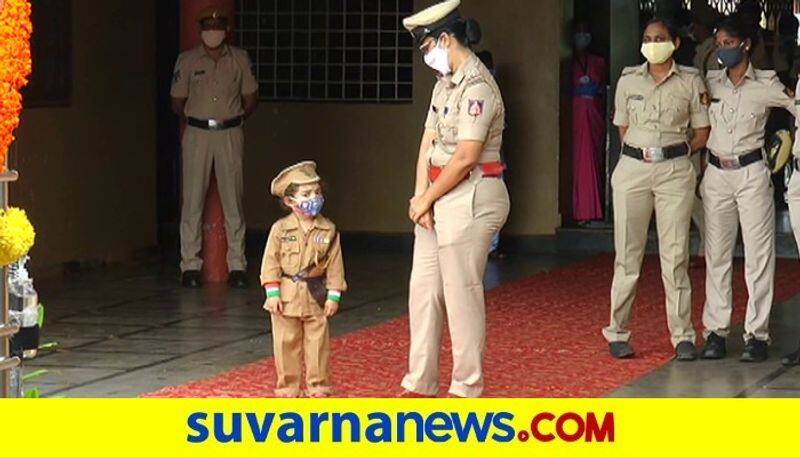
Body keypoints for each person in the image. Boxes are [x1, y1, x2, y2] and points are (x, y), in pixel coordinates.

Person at [400, 0, 510, 398]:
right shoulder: (443, 84)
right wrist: (420, 199)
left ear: (445, 40)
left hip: (471, 194)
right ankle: (420, 381)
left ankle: (466, 385)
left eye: (428, 47)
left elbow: (466, 156)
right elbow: (427, 142)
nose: (427, 56)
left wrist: (427, 196)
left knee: (460, 293)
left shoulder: (478, 86)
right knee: (424, 291)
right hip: (436, 198)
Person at [602, 17, 710, 361]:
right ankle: (617, 332)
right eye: (648, 38)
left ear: (675, 43)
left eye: (660, 38)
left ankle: (682, 336)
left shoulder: (691, 81)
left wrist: (674, 156)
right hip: (633, 168)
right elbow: (623, 127)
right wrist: (643, 154)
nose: (653, 43)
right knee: (627, 256)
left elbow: (701, 132)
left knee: (675, 257)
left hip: (675, 171)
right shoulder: (628, 80)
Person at [699, 18, 797, 363]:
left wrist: (791, 145)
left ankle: (757, 334)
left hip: (753, 173)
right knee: (717, 255)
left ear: (746, 45)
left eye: (729, 42)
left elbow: (795, 105)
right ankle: (715, 332)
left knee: (758, 257)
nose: (723, 48)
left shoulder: (767, 84)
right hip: (716, 173)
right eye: (719, 41)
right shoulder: (709, 83)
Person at [170, 6, 258, 289]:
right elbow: (177, 100)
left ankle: (237, 266)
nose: (213, 31)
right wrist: (196, 119)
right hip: (197, 132)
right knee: (192, 200)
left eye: (218, 25)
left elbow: (251, 96)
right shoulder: (187, 60)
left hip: (229, 131)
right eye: (208, 25)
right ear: (200, 29)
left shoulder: (239, 59)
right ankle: (190, 266)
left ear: (227, 30)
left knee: (233, 199)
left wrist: (236, 117)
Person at [260, 161, 346, 397]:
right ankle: (288, 387)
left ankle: (318, 386)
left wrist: (333, 295)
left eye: (317, 192)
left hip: (315, 294)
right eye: (306, 194)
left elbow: (335, 266)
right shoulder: (280, 229)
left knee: (318, 344)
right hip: (287, 296)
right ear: (289, 201)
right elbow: (271, 263)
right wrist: (272, 293)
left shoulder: (328, 229)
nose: (314, 198)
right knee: (286, 343)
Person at [571, 19, 606, 223]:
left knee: (593, 161)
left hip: (593, 117)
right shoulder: (569, 63)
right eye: (578, 33)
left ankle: (593, 210)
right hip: (576, 120)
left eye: (585, 33)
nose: (582, 37)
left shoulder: (598, 62)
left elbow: (603, 88)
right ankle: (579, 211)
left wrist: (594, 90)